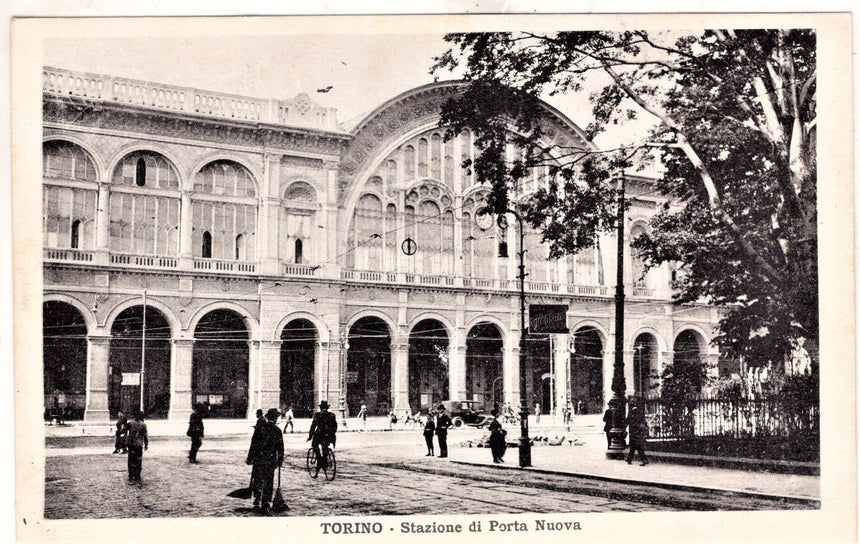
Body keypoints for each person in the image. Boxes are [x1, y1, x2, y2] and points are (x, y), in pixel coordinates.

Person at [246, 408, 285, 515]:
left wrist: (250, 458)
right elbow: (280, 448)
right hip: (270, 460)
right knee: (268, 481)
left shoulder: (259, 428)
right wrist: (280, 460)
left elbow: (253, 444)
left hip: (259, 459)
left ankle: (257, 499)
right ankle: (265, 504)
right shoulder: (277, 430)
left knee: (258, 479)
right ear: (276, 419)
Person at [307, 400, 338, 467]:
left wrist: (310, 436)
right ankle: (325, 460)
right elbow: (335, 426)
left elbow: (313, 426)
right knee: (325, 447)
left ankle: (319, 460)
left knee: (314, 445)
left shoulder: (317, 415)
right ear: (327, 408)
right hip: (329, 435)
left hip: (319, 434)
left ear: (321, 408)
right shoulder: (332, 415)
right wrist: (332, 434)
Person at [126, 411, 149, 482]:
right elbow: (145, 435)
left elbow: (124, 430)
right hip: (139, 444)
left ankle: (131, 474)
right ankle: (137, 474)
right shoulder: (143, 425)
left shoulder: (130, 423)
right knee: (138, 460)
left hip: (131, 444)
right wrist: (146, 444)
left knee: (131, 459)